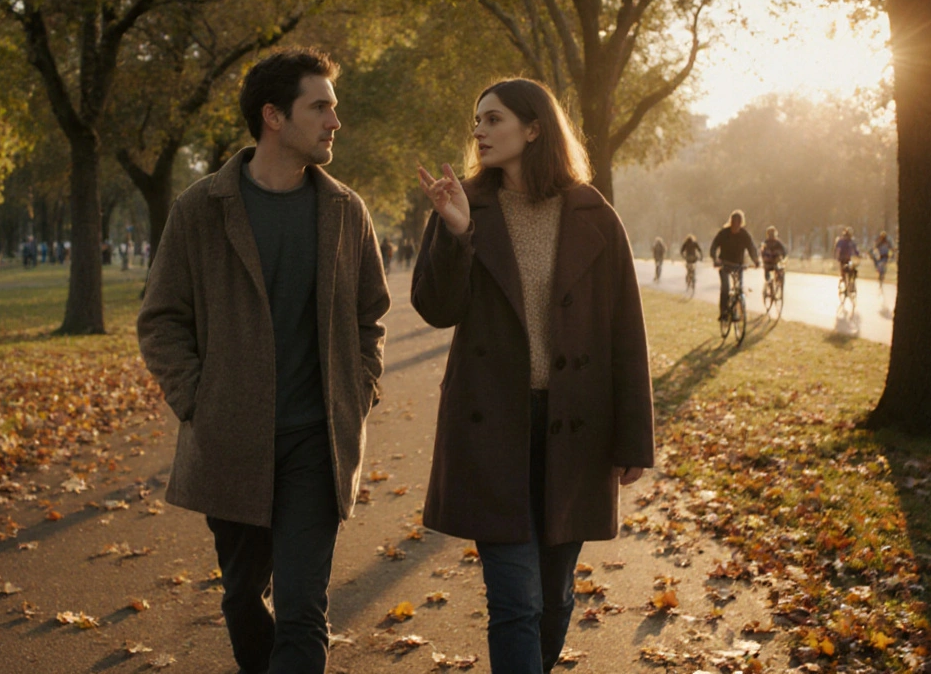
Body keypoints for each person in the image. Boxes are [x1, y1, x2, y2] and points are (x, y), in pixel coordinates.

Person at [137, 47, 390, 674]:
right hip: (232, 442)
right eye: (322, 107)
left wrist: (359, 389)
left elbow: (370, 318)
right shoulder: (202, 207)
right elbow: (161, 318)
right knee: (243, 597)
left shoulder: (344, 210)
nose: (336, 121)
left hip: (317, 441)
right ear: (273, 116)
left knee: (303, 610)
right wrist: (200, 401)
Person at [412, 78, 654, 674]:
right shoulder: (464, 204)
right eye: (477, 121)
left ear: (534, 128)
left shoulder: (594, 214)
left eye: (492, 119)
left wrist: (634, 441)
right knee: (515, 603)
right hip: (494, 428)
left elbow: (627, 335)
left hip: (575, 429)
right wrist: (457, 233)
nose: (479, 132)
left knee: (553, 599)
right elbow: (436, 308)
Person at [708, 211, 760, 321]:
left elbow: (751, 248)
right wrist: (715, 258)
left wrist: (756, 260)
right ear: (731, 222)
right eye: (734, 223)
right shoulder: (723, 233)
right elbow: (713, 247)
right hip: (725, 264)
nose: (736, 226)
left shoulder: (744, 234)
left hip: (738, 265)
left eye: (738, 223)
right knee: (725, 288)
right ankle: (723, 313)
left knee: (739, 289)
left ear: (741, 223)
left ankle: (735, 312)